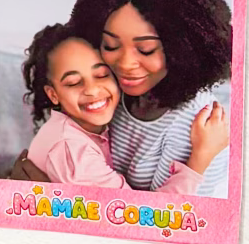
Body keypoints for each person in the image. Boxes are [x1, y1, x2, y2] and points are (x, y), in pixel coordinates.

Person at [59, 0, 234, 196]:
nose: (125, 64)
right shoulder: (105, 91)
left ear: (181, 50)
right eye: (111, 46)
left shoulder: (199, 128)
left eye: (146, 50)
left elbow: (168, 212)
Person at [19, 27, 227, 195]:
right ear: (53, 94)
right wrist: (200, 158)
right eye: (73, 82)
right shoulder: (74, 152)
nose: (92, 90)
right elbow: (141, 217)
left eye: (102, 75)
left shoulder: (83, 127)